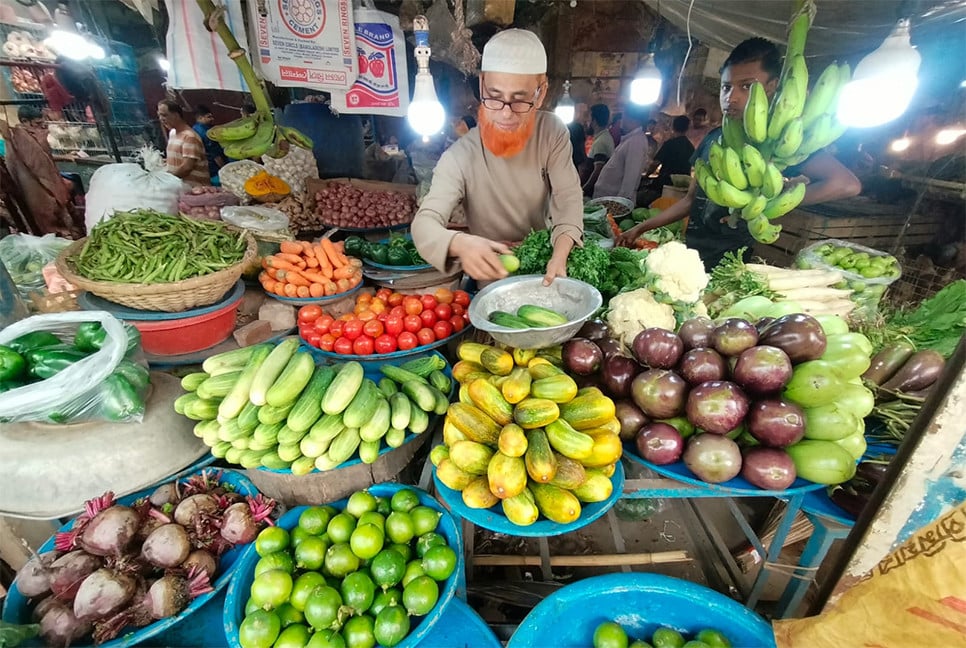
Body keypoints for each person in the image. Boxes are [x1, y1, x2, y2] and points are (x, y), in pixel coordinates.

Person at [618, 37, 861, 268]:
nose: (730, 98)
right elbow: (691, 200)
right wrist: (642, 228)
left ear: (771, 87)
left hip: (731, 262)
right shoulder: (714, 139)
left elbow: (846, 184)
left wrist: (774, 202)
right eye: (726, 87)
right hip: (692, 254)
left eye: (746, 86)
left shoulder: (779, 142)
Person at [410, 28, 583, 285]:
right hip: (491, 280)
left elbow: (568, 198)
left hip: (545, 271)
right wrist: (459, 242)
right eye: (494, 97)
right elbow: (424, 224)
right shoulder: (460, 156)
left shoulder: (551, 132)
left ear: (541, 91)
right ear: (481, 85)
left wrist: (560, 254)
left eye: (519, 100)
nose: (505, 114)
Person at [592, 103, 652, 202]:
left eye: (623, 115)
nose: (621, 120)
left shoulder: (636, 142)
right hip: (606, 201)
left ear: (631, 118)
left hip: (612, 204)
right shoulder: (630, 139)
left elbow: (630, 181)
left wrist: (619, 205)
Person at [157, 100, 210, 187]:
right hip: (179, 189)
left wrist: (165, 179)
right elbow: (178, 158)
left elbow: (186, 168)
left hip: (195, 191)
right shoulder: (172, 133)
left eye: (164, 115)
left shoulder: (190, 137)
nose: (161, 119)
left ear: (176, 115)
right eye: (159, 115)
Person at [648, 115, 695, 188]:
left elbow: (655, 163)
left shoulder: (670, 144)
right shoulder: (690, 146)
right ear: (688, 129)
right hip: (683, 186)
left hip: (665, 183)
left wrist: (646, 175)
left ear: (673, 127)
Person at [582, 103, 614, 196]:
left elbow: (598, 170)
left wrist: (583, 190)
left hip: (594, 193)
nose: (586, 122)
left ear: (594, 121)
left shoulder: (601, 141)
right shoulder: (604, 137)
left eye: (588, 119)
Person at [192, 104, 226, 181]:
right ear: (200, 118)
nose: (212, 119)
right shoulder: (206, 133)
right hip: (214, 167)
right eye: (209, 117)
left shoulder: (195, 127)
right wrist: (224, 169)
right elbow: (215, 155)